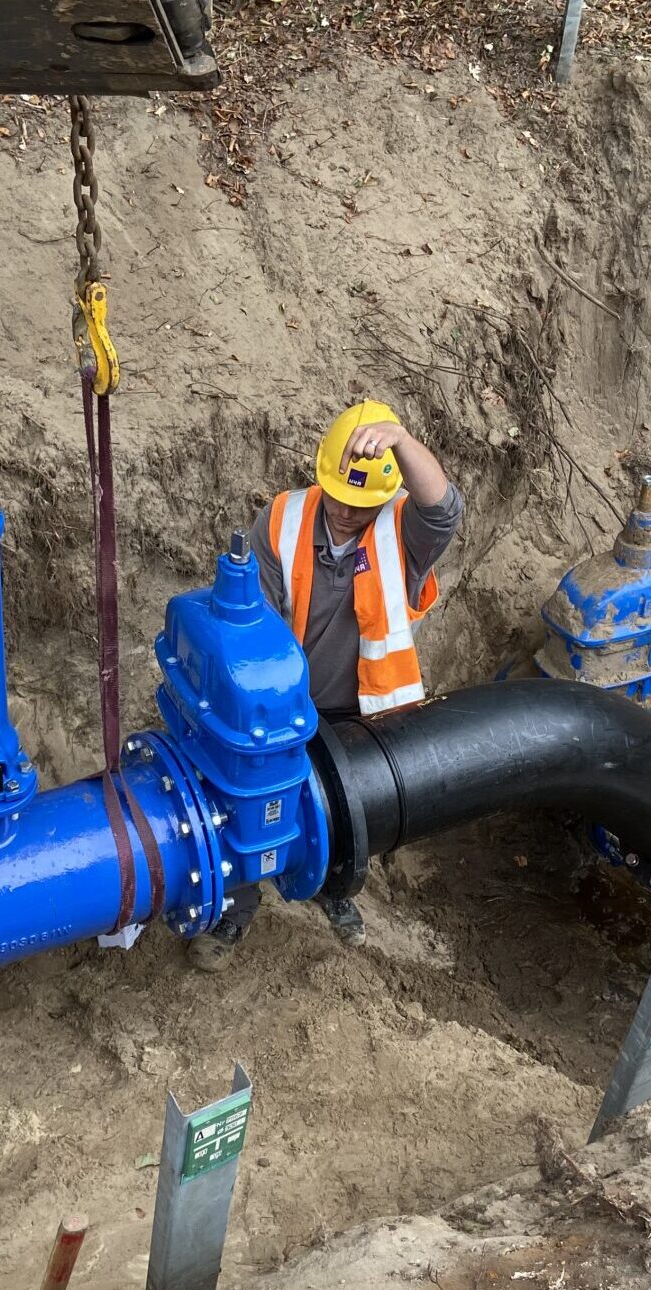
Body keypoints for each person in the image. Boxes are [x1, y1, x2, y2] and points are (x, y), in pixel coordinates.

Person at [187, 400, 461, 971]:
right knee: (248, 807)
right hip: (277, 706)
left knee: (342, 811)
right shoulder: (284, 519)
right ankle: (236, 909)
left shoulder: (398, 531)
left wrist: (403, 441)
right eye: (337, 496)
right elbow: (248, 625)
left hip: (357, 710)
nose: (344, 512)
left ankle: (334, 894)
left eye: (360, 505)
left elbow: (444, 510)